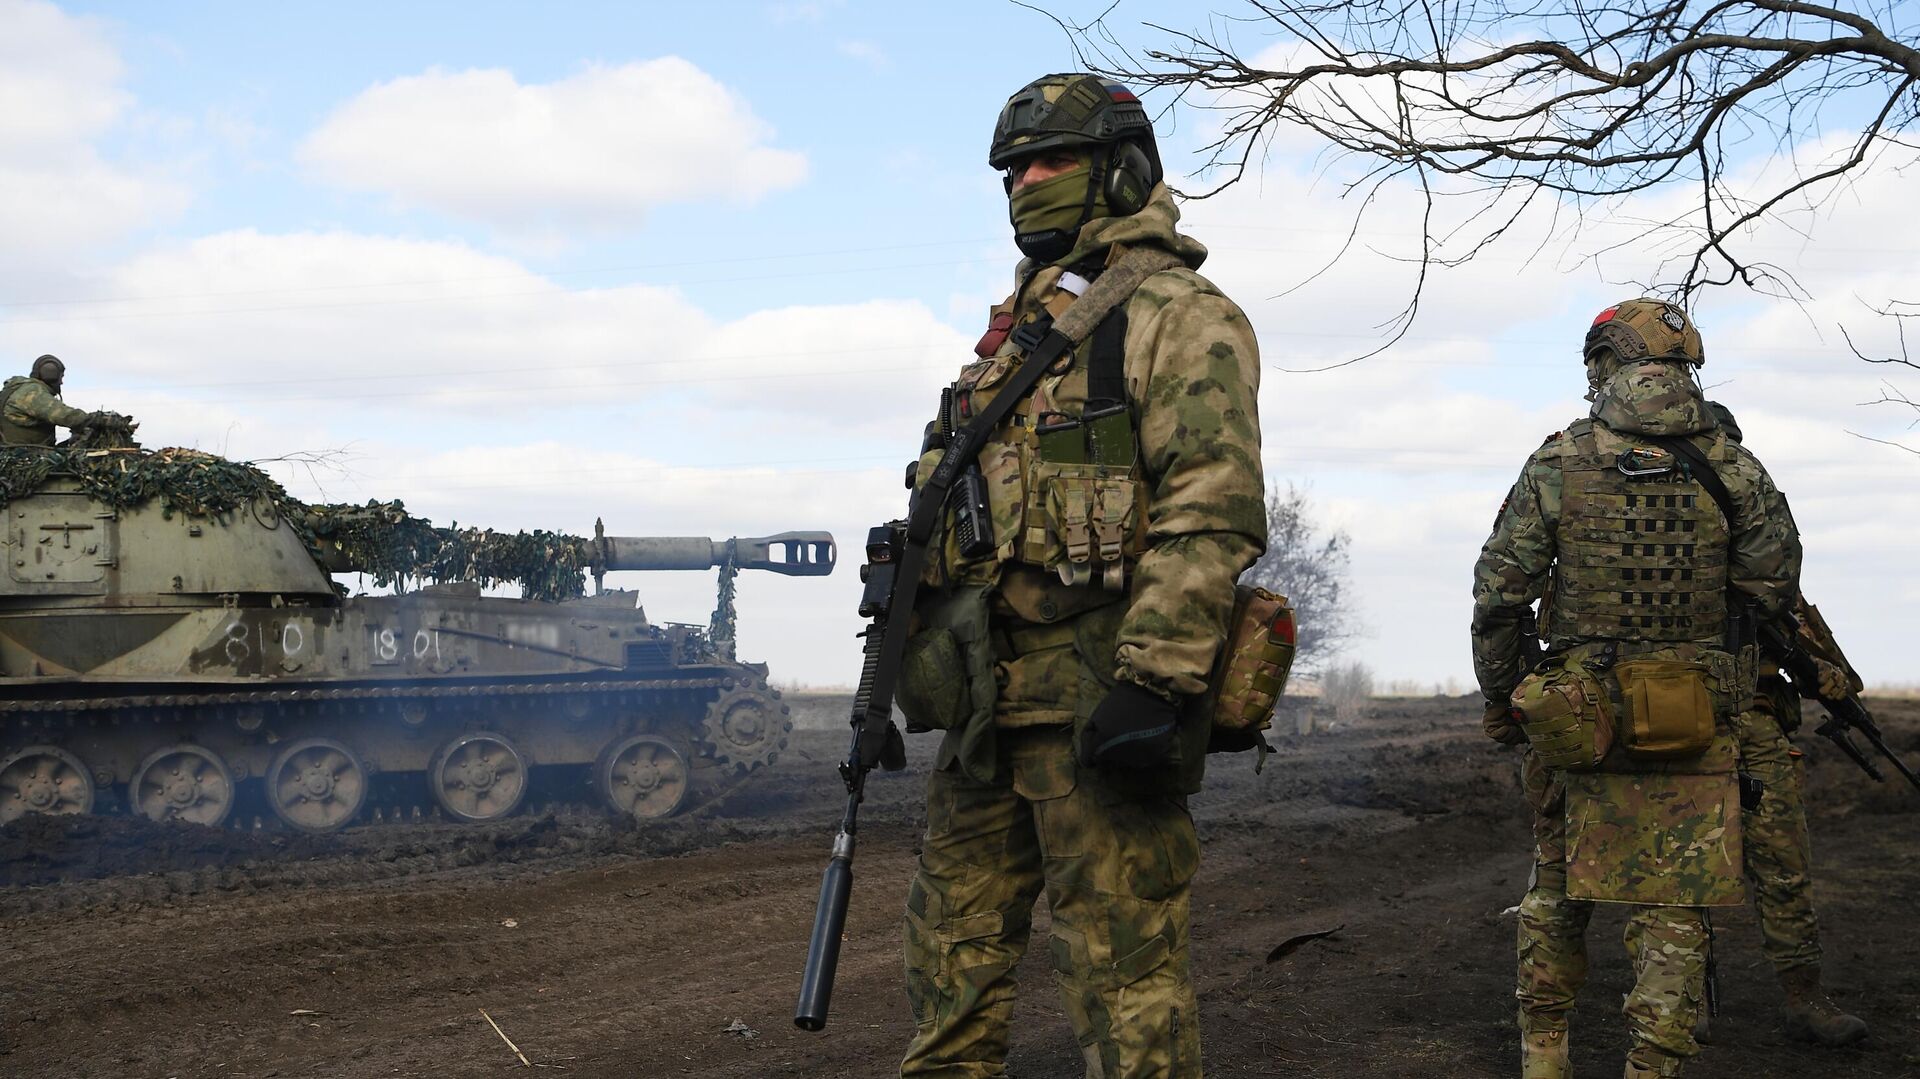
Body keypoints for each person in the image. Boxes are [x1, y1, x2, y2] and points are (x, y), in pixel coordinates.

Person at [893, 73, 1265, 1077]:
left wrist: (1156, 679)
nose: (1026, 181)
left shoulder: (1177, 314)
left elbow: (1209, 506)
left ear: (1121, 166)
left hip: (1101, 708)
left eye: (1052, 160)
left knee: (1123, 981)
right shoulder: (1013, 340)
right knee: (946, 970)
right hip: (983, 711)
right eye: (1014, 167)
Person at [1472, 298, 1802, 1078]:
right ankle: (1652, 1066)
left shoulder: (1558, 461)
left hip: (1577, 715)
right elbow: (1772, 586)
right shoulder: (1735, 465)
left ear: (1603, 365)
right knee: (1675, 905)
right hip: (1697, 712)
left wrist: (1504, 698)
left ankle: (1544, 1059)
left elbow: (1500, 595)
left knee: (1556, 880)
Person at [1695, 402, 1868, 1048]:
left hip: (1760, 719)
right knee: (1690, 866)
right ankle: (1691, 998)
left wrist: (1829, 672)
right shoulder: (1671, 549)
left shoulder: (1765, 545)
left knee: (1783, 864)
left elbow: (1799, 621)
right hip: (1689, 721)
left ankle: (1804, 996)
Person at [0, 355, 115, 446]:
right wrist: (98, 420)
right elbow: (64, 416)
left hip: (26, 452)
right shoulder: (31, 392)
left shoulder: (21, 389)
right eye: (61, 377)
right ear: (51, 375)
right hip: (24, 457)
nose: (61, 382)